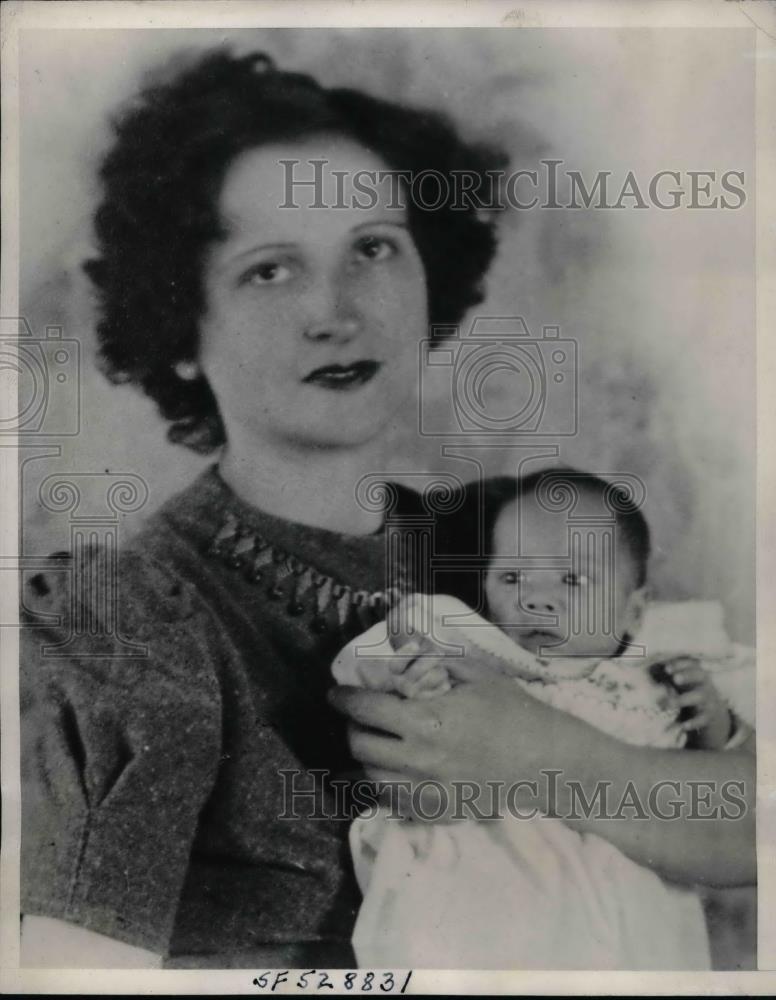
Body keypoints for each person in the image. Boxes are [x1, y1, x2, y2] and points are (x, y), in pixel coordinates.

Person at [19, 47, 504, 968]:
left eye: (372, 248)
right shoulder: (127, 626)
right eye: (269, 271)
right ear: (184, 332)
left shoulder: (510, 554)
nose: (336, 311)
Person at [332, 469, 755, 968]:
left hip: (631, 899)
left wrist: (712, 720)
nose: (534, 598)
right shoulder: (480, 658)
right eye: (512, 578)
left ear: (633, 612)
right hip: (496, 889)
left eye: (572, 579)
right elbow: (404, 718)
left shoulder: (658, 674)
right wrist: (418, 682)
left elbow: (717, 784)